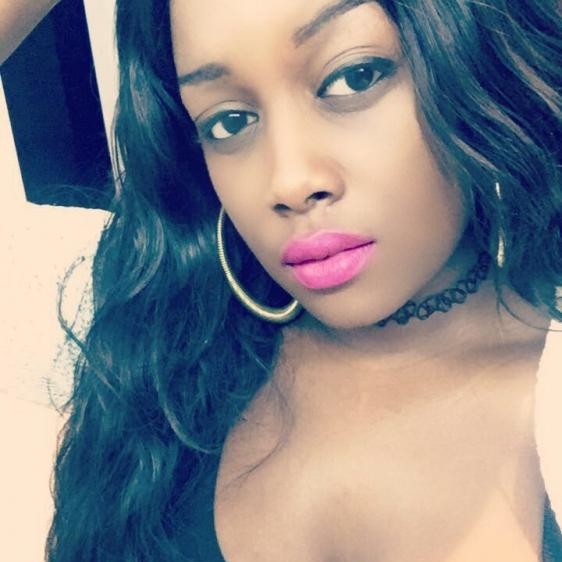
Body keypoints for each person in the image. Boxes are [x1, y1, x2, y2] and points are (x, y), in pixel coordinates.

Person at [2, 0, 561, 561]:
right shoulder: (159, 364)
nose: (289, 181)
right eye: (229, 122)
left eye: (353, 77)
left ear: (470, 55)